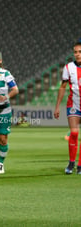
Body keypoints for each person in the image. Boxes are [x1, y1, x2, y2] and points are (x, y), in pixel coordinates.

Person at [54, 39, 81, 174]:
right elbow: (63, 87)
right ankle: (71, 163)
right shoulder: (68, 67)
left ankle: (80, 165)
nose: (77, 54)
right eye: (75, 52)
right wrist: (57, 106)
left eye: (80, 52)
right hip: (73, 104)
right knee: (74, 133)